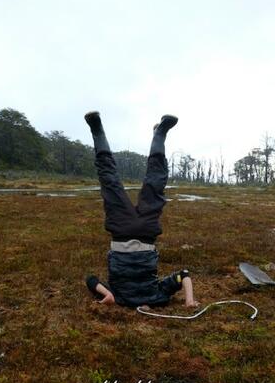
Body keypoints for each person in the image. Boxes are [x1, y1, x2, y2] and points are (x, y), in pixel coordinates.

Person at [84, 111, 199, 309]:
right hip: (122, 232)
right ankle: (97, 128)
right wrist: (108, 294)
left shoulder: (158, 297)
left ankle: (160, 133)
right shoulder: (121, 298)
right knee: (109, 181)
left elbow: (184, 275)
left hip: (145, 232)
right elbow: (91, 280)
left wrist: (189, 300)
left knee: (155, 181)